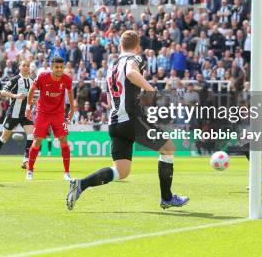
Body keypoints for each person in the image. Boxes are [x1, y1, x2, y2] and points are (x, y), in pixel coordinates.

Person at [66, 30, 190, 210]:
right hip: (132, 119)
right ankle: (167, 197)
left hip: (115, 123)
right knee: (168, 148)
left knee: (121, 171)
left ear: (120, 46)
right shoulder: (136, 59)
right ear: (137, 47)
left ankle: (81, 184)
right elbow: (132, 73)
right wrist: (151, 90)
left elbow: (109, 100)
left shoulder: (111, 67)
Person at [24, 55, 75, 180]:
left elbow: (70, 92)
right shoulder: (42, 77)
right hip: (43, 113)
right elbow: (31, 90)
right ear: (52, 67)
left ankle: (67, 173)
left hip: (58, 114)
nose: (59, 69)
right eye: (56, 67)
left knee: (63, 139)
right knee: (37, 141)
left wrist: (72, 109)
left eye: (61, 67)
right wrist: (28, 107)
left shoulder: (67, 79)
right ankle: (30, 170)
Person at [0, 59, 34, 170]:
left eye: (28, 65)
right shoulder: (15, 79)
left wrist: (32, 104)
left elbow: (30, 96)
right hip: (13, 113)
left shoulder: (32, 81)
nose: (26, 67)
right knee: (4, 137)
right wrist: (16, 96)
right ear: (20, 67)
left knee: (31, 135)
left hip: (24, 114)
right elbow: (3, 92)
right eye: (24, 65)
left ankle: (25, 160)